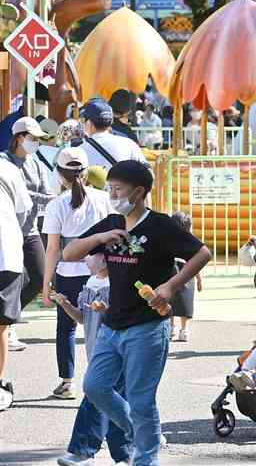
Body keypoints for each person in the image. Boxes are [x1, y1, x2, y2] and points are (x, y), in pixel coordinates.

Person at [63, 160, 212, 465]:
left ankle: (145, 458)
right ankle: (146, 433)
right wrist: (100, 239)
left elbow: (202, 253)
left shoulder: (160, 224)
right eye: (110, 188)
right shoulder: (111, 222)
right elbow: (69, 252)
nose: (112, 194)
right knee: (94, 386)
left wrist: (170, 287)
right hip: (111, 324)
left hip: (148, 327)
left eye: (118, 189)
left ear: (139, 192)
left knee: (142, 401)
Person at [42, 147, 114, 400]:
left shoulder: (56, 205)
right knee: (105, 327)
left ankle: (67, 382)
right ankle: (104, 378)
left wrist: (45, 285)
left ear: (60, 175)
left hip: (67, 273)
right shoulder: (104, 199)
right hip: (102, 272)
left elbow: (52, 249)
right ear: (85, 172)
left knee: (66, 328)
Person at [52, 254, 132, 466]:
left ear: (106, 259)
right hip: (96, 352)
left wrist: (106, 311)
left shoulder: (117, 283)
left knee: (97, 397)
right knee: (112, 401)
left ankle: (84, 451)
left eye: (92, 254)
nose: (87, 258)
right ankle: (126, 453)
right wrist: (66, 305)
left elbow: (124, 318)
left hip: (115, 351)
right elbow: (82, 318)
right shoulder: (90, 282)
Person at [1, 117, 54, 352]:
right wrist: (45, 198)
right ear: (18, 137)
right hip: (7, 231)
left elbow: (44, 192)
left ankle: (8, 320)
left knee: (42, 278)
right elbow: (26, 194)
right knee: (10, 281)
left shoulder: (37, 164)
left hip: (30, 230)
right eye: (31, 138)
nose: (35, 143)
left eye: (38, 139)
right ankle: (7, 326)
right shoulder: (4, 161)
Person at [0, 155, 32, 412]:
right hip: (6, 252)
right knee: (0, 326)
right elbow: (23, 211)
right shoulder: (9, 169)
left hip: (6, 252)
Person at [79, 98, 146, 170]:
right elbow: (148, 173)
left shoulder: (79, 151)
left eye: (83, 121)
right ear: (111, 122)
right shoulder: (129, 144)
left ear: (89, 123)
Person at [170, 212, 203, 342]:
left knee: (174, 301)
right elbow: (197, 261)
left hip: (175, 272)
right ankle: (181, 329)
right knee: (183, 301)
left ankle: (174, 328)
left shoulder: (168, 240)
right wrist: (199, 279)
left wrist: (199, 279)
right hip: (187, 272)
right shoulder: (191, 241)